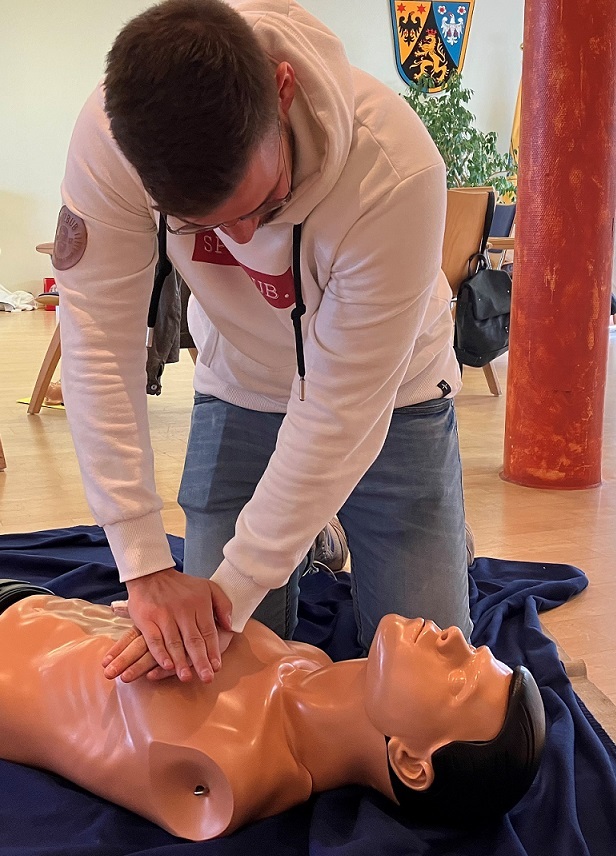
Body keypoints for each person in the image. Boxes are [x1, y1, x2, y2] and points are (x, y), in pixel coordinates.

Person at [53, 0, 470, 685]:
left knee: (425, 678)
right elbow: (97, 339)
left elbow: (338, 413)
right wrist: (144, 563)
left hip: (391, 396)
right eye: (203, 225)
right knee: (222, 673)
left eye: (264, 203)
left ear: (282, 91)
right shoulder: (111, 140)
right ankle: (311, 530)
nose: (246, 241)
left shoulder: (396, 167)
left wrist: (241, 579)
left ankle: (397, 535)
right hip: (240, 379)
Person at [0, 580, 545, 840]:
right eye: (474, 649)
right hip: (32, 600)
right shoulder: (306, 662)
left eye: (458, 680)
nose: (454, 636)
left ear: (409, 762)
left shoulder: (228, 773)